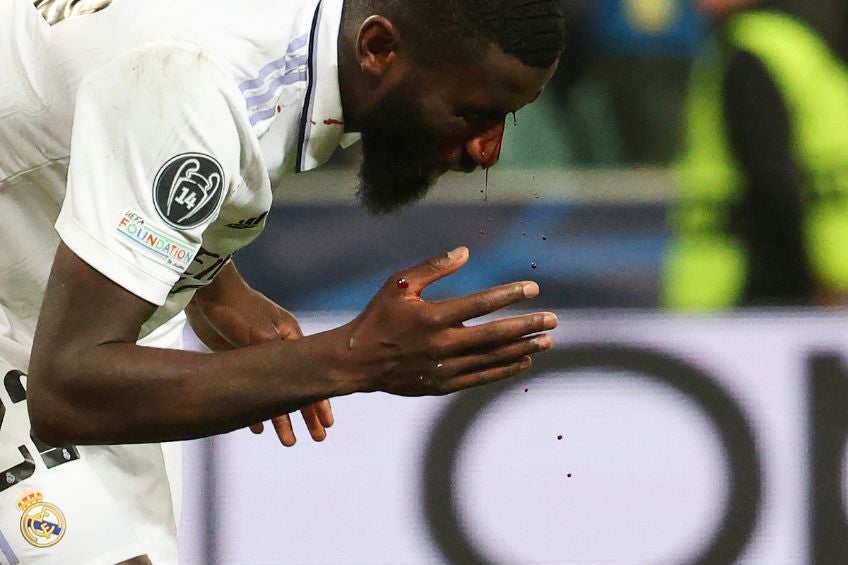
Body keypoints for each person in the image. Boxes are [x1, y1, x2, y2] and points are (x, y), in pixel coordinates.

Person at [0, 0, 565, 562]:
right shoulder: (198, 87)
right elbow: (67, 388)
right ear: (377, 48)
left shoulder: (317, 50)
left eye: (505, 117)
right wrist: (355, 356)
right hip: (54, 342)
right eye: (472, 113)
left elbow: (126, 112)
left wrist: (213, 282)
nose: (487, 152)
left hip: (59, 293)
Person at [664, 0, 848, 309]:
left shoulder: (749, 50)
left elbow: (770, 180)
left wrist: (809, 281)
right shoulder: (807, 43)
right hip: (824, 269)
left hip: (750, 280)